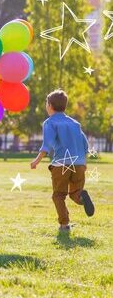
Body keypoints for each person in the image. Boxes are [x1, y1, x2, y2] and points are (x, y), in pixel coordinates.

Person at [31, 89, 95, 231]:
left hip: (61, 164)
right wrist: (83, 164)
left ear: (50, 105)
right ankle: (81, 197)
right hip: (79, 164)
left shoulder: (49, 123)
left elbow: (46, 145)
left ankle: (64, 224)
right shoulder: (75, 124)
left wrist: (36, 161)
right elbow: (85, 145)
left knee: (59, 195)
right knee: (75, 193)